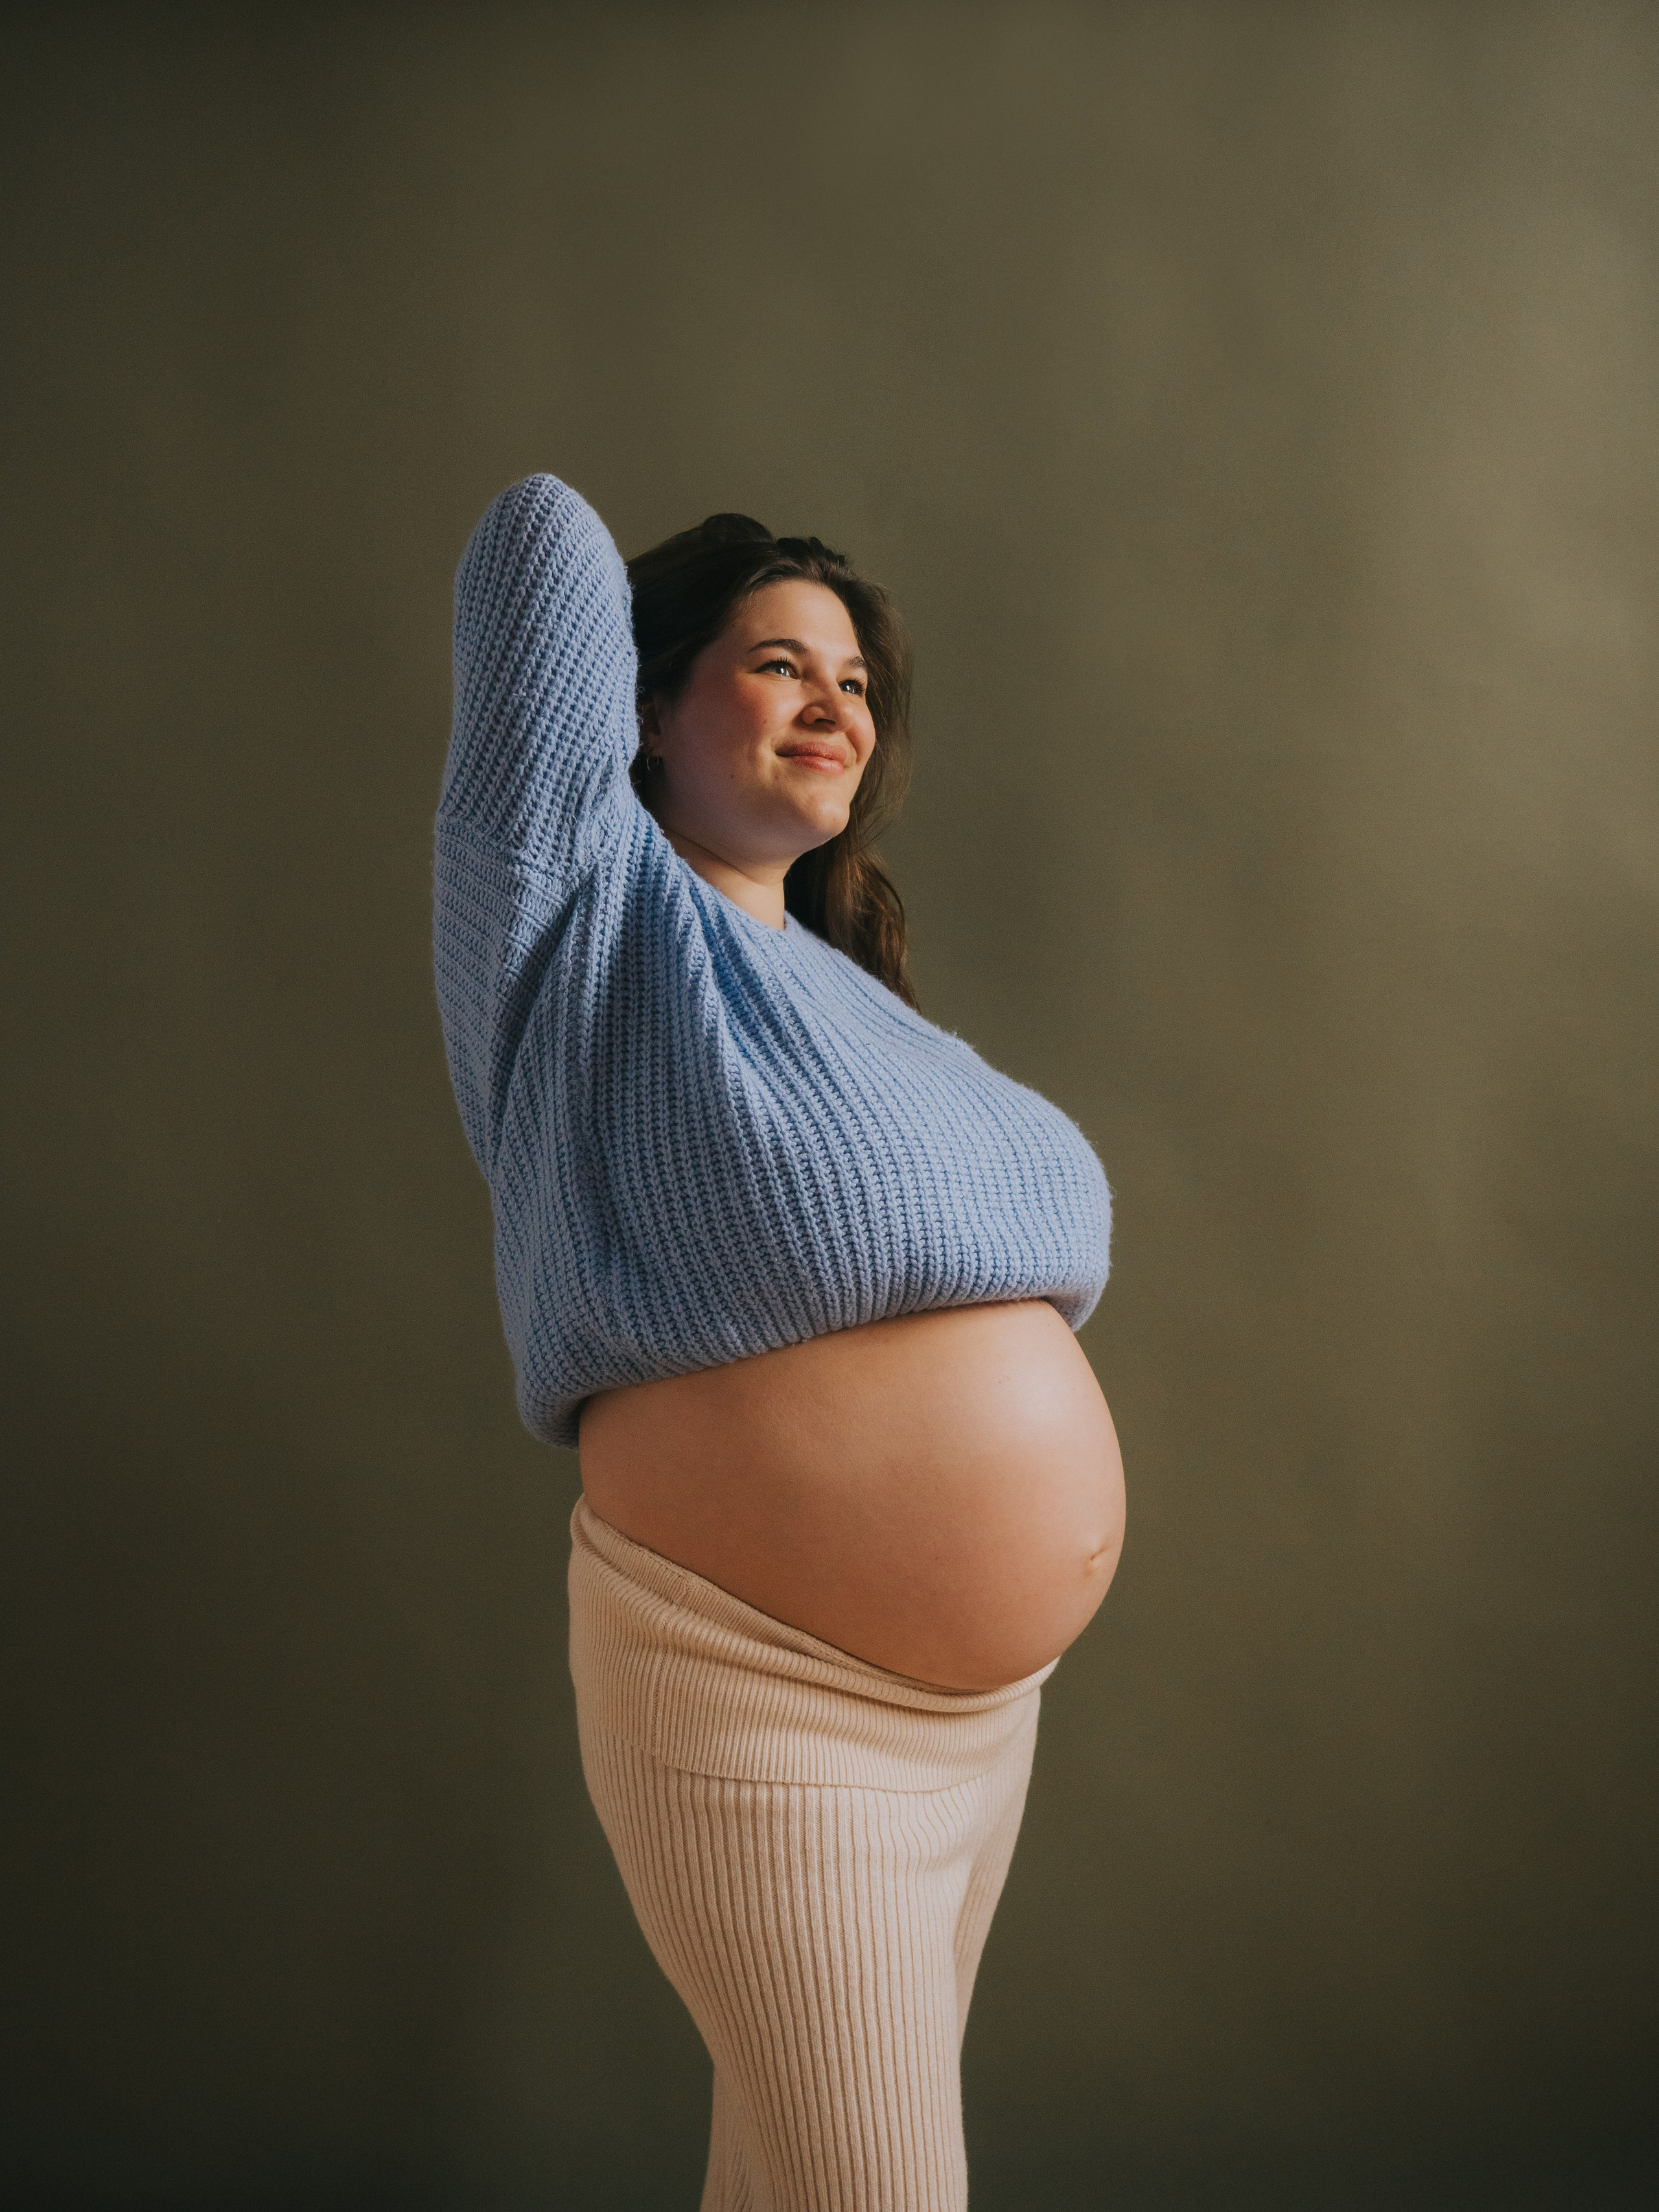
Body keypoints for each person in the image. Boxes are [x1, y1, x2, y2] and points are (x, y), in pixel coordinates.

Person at [434, 475, 1124, 2211]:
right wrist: (745, 555)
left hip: (974, 1724)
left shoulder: (861, 1003)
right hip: (762, 1705)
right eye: (775, 665)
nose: (838, 705)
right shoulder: (582, 922)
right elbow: (538, 545)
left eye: (859, 682)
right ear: (644, 712)